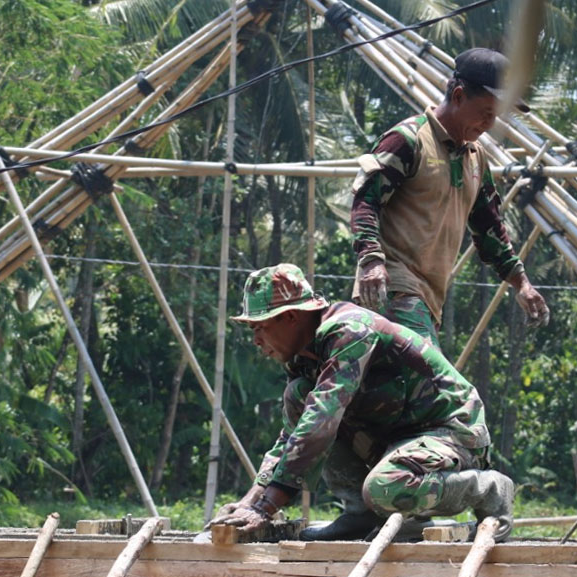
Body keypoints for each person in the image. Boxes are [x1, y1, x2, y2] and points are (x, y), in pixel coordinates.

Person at [209, 264, 514, 542]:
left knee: (385, 487)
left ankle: (488, 489)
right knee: (298, 395)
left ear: (290, 317)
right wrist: (251, 501)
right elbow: (293, 435)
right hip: (399, 438)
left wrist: (267, 506)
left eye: (259, 327)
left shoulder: (349, 331)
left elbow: (321, 418)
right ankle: (361, 514)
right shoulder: (303, 357)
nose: (256, 340)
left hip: (450, 429)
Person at [351, 47, 550, 349]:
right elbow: (366, 200)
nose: (489, 124)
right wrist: (370, 261)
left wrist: (521, 283)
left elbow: (489, 228)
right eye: (486, 113)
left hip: (430, 303)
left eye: (495, 116)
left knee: (395, 394)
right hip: (393, 288)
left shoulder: (476, 158)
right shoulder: (409, 139)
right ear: (458, 96)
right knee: (439, 387)